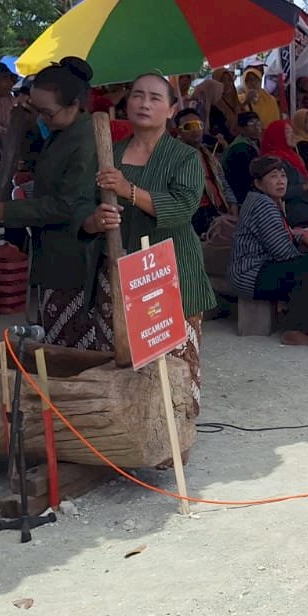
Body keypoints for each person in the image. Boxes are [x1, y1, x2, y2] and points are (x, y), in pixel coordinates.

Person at [89, 74, 217, 411]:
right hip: (117, 270)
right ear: (126, 102)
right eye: (137, 96)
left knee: (174, 361)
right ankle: (129, 438)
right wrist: (95, 221)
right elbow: (84, 208)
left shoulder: (185, 157)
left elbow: (182, 207)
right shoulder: (108, 154)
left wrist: (128, 190)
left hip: (170, 271)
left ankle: (177, 436)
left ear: (172, 109)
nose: (145, 104)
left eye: (155, 98)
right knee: (120, 357)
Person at [0, 58, 100, 346]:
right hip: (51, 252)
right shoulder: (60, 132)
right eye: (37, 111)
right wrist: (26, 125)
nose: (42, 118)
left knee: (71, 343)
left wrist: (7, 211)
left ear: (74, 104)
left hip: (74, 255)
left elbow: (66, 205)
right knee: (55, 333)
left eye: (46, 113)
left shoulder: (84, 140)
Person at [227, 155, 308, 345]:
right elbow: (283, 253)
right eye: (273, 177)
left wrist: (302, 237)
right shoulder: (263, 205)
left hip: (261, 268)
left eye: (283, 176)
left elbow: (282, 233)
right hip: (249, 274)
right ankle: (297, 330)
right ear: (258, 183)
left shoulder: (269, 200)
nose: (280, 181)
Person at [259, 117, 308, 230]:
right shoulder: (273, 162)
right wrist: (307, 186)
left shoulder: (291, 156)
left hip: (304, 201)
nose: (293, 135)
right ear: (278, 135)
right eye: (288, 132)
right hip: (292, 207)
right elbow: (276, 192)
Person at [175, 110, 236, 237]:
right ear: (179, 131)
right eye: (189, 127)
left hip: (220, 210)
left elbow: (223, 183)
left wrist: (233, 205)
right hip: (195, 216)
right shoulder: (173, 157)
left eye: (198, 125)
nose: (195, 130)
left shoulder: (208, 154)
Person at [223, 111, 264, 204]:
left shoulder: (254, 143)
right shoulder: (240, 148)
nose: (257, 127)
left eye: (258, 123)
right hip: (243, 197)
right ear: (241, 129)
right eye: (251, 124)